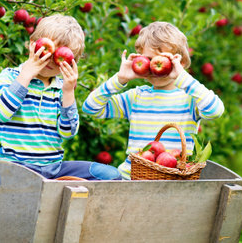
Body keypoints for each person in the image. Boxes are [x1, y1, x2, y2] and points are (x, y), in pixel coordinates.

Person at [82, 21, 224, 179]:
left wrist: (183, 77)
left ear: (180, 63)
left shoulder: (190, 98)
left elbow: (215, 111)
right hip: (131, 178)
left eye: (162, 59)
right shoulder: (136, 97)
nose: (154, 66)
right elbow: (91, 108)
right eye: (149, 60)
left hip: (173, 180)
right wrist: (119, 79)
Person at [0, 14, 121, 180]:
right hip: (14, 167)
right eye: (48, 51)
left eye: (61, 56)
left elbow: (68, 133)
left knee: (110, 175)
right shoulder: (10, 77)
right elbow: (1, 114)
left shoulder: (61, 88)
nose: (53, 60)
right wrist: (26, 75)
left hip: (54, 169)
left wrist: (68, 92)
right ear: (32, 45)